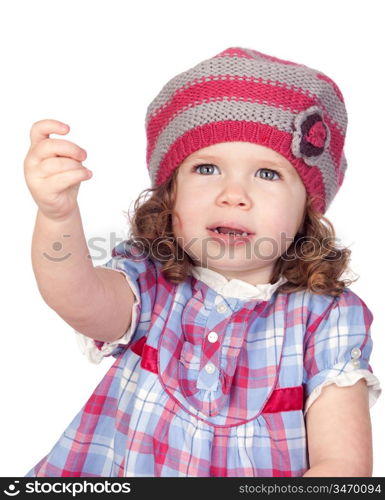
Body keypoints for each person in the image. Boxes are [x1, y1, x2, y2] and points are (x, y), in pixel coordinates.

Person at [23, 47, 381, 477]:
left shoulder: (326, 318)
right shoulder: (152, 283)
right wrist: (58, 216)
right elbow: (75, 296)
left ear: (308, 208)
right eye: (207, 168)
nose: (233, 194)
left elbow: (343, 465)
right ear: (170, 192)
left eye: (268, 174)